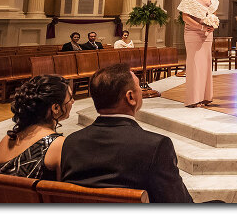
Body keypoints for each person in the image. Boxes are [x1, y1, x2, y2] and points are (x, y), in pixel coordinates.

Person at [60, 64, 193, 203]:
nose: (141, 91)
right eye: (139, 87)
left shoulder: (71, 142)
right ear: (130, 97)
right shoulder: (155, 146)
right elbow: (178, 202)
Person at [0, 75, 73, 180]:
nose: (73, 101)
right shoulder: (59, 145)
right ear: (55, 108)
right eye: (70, 97)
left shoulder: (7, 140)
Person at [177, 0, 219, 108]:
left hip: (207, 35)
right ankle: (193, 99)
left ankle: (205, 97)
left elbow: (213, 14)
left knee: (206, 65)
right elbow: (185, 17)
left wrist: (212, 24)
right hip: (193, 34)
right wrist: (200, 27)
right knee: (195, 65)